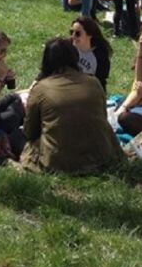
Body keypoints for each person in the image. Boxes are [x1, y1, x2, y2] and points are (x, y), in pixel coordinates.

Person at [21, 37, 124, 174]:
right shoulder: (94, 82)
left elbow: (29, 131)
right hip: (100, 156)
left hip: (59, 162)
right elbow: (101, 119)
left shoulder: (40, 89)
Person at [70, 16, 112, 89]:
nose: (73, 36)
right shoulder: (68, 48)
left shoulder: (100, 56)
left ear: (89, 35)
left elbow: (101, 83)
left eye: (77, 33)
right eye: (71, 32)